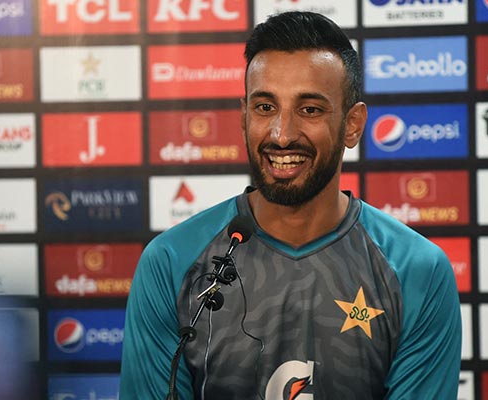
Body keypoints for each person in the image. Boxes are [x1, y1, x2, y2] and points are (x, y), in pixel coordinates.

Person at [120, 11, 461, 400]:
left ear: (353, 124)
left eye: (309, 109)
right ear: (244, 115)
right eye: (265, 107)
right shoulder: (171, 261)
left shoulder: (417, 270)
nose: (282, 135)